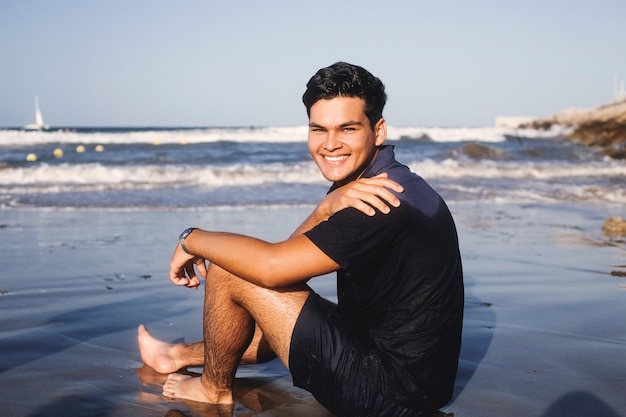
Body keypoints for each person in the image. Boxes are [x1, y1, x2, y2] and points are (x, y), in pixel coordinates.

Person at [138, 62, 464, 417]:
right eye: (318, 129)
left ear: (378, 130)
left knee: (231, 270)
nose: (330, 144)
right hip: (410, 377)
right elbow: (289, 270)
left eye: (348, 128)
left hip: (391, 397)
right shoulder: (386, 181)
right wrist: (325, 208)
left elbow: (272, 269)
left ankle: (212, 389)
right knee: (260, 284)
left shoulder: (378, 201)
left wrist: (192, 239)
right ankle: (177, 356)